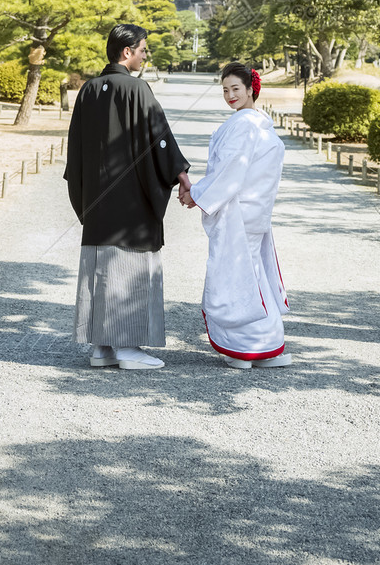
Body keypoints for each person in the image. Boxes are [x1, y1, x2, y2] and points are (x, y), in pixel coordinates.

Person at [66, 23, 190, 370]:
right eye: (143, 50)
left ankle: (101, 347)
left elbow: (75, 148)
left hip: (95, 197)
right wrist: (181, 176)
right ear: (127, 52)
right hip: (130, 201)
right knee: (128, 267)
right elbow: (159, 137)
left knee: (101, 266)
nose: (145, 55)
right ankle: (127, 348)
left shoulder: (88, 90)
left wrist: (82, 193)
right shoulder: (137, 90)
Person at [179, 62, 290, 370]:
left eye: (235, 89)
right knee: (254, 276)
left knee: (235, 278)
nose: (230, 95)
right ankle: (269, 346)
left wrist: (196, 193)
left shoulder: (243, 125)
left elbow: (230, 171)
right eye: (225, 90)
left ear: (251, 88)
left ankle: (244, 348)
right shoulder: (262, 126)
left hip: (237, 214)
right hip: (255, 214)